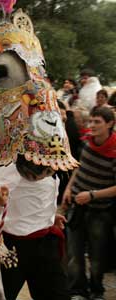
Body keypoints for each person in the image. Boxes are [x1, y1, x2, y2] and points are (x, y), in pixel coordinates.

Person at [0, 156, 69, 300]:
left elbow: (42, 194)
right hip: (9, 248)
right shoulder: (6, 166)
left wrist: (48, 216)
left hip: (44, 242)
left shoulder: (53, 159)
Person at [62, 106, 116, 300]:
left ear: (110, 124)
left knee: (97, 257)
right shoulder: (87, 143)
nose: (91, 125)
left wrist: (92, 195)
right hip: (77, 207)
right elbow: (79, 168)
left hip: (99, 212)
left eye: (97, 122)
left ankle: (96, 291)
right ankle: (77, 291)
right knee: (74, 254)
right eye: (91, 121)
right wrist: (69, 188)